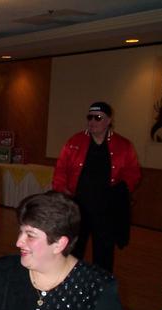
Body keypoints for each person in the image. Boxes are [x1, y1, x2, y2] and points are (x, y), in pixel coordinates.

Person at [52, 101, 141, 273]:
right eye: (90, 117)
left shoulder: (123, 145)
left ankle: (102, 283)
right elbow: (61, 169)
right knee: (74, 249)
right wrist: (61, 190)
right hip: (78, 207)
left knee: (104, 252)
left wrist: (120, 193)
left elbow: (133, 173)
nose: (92, 121)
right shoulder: (74, 142)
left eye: (98, 118)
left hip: (106, 210)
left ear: (109, 120)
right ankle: (70, 279)